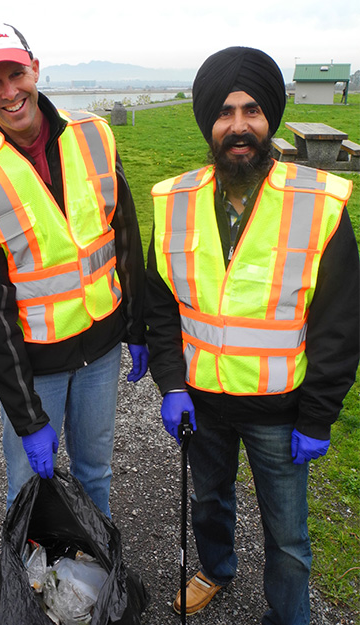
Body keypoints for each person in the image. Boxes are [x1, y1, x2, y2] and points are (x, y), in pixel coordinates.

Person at [145, 46, 359, 624]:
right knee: (208, 502)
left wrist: (318, 415)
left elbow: (340, 324)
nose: (238, 125)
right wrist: (170, 382)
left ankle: (289, 616)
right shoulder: (175, 203)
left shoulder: (318, 205)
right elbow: (161, 305)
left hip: (280, 412)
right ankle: (215, 569)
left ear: (270, 120)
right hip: (202, 403)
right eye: (224, 112)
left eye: (253, 110)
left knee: (288, 536)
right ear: (208, 123)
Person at [0, 23, 148, 516]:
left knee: (95, 474)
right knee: (27, 490)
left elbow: (126, 238)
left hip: (101, 351)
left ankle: (95, 581)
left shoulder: (94, 135)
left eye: (17, 74)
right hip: (38, 369)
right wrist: (29, 419)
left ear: (35, 67)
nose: (11, 92)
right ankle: (34, 591)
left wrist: (137, 326)